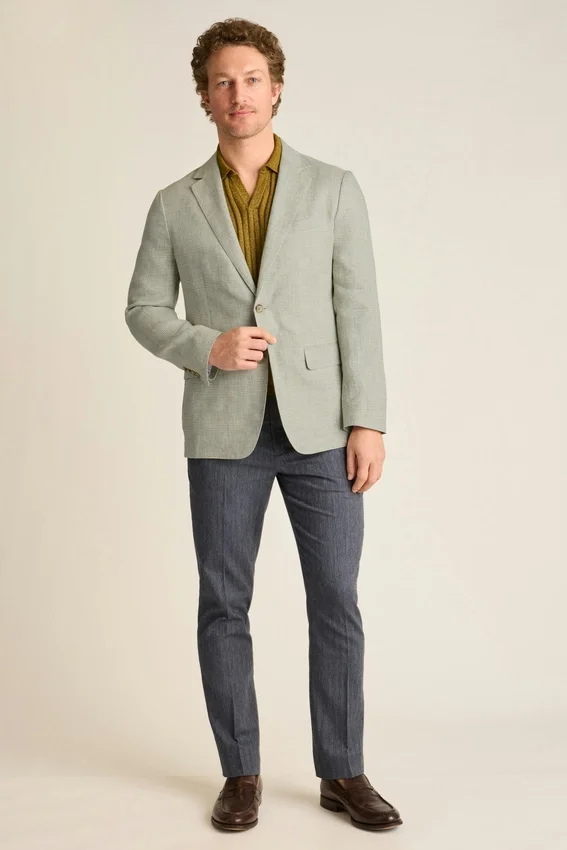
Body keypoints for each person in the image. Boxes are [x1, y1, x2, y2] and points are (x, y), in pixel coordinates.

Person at [125, 16, 402, 833]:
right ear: (204, 97)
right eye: (222, 82)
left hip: (322, 430)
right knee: (223, 602)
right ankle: (239, 773)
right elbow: (142, 309)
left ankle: (342, 771)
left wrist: (368, 421)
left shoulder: (333, 188)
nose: (237, 93)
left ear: (275, 89)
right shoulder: (174, 203)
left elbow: (358, 311)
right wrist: (204, 345)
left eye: (251, 79)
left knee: (336, 599)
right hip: (223, 431)